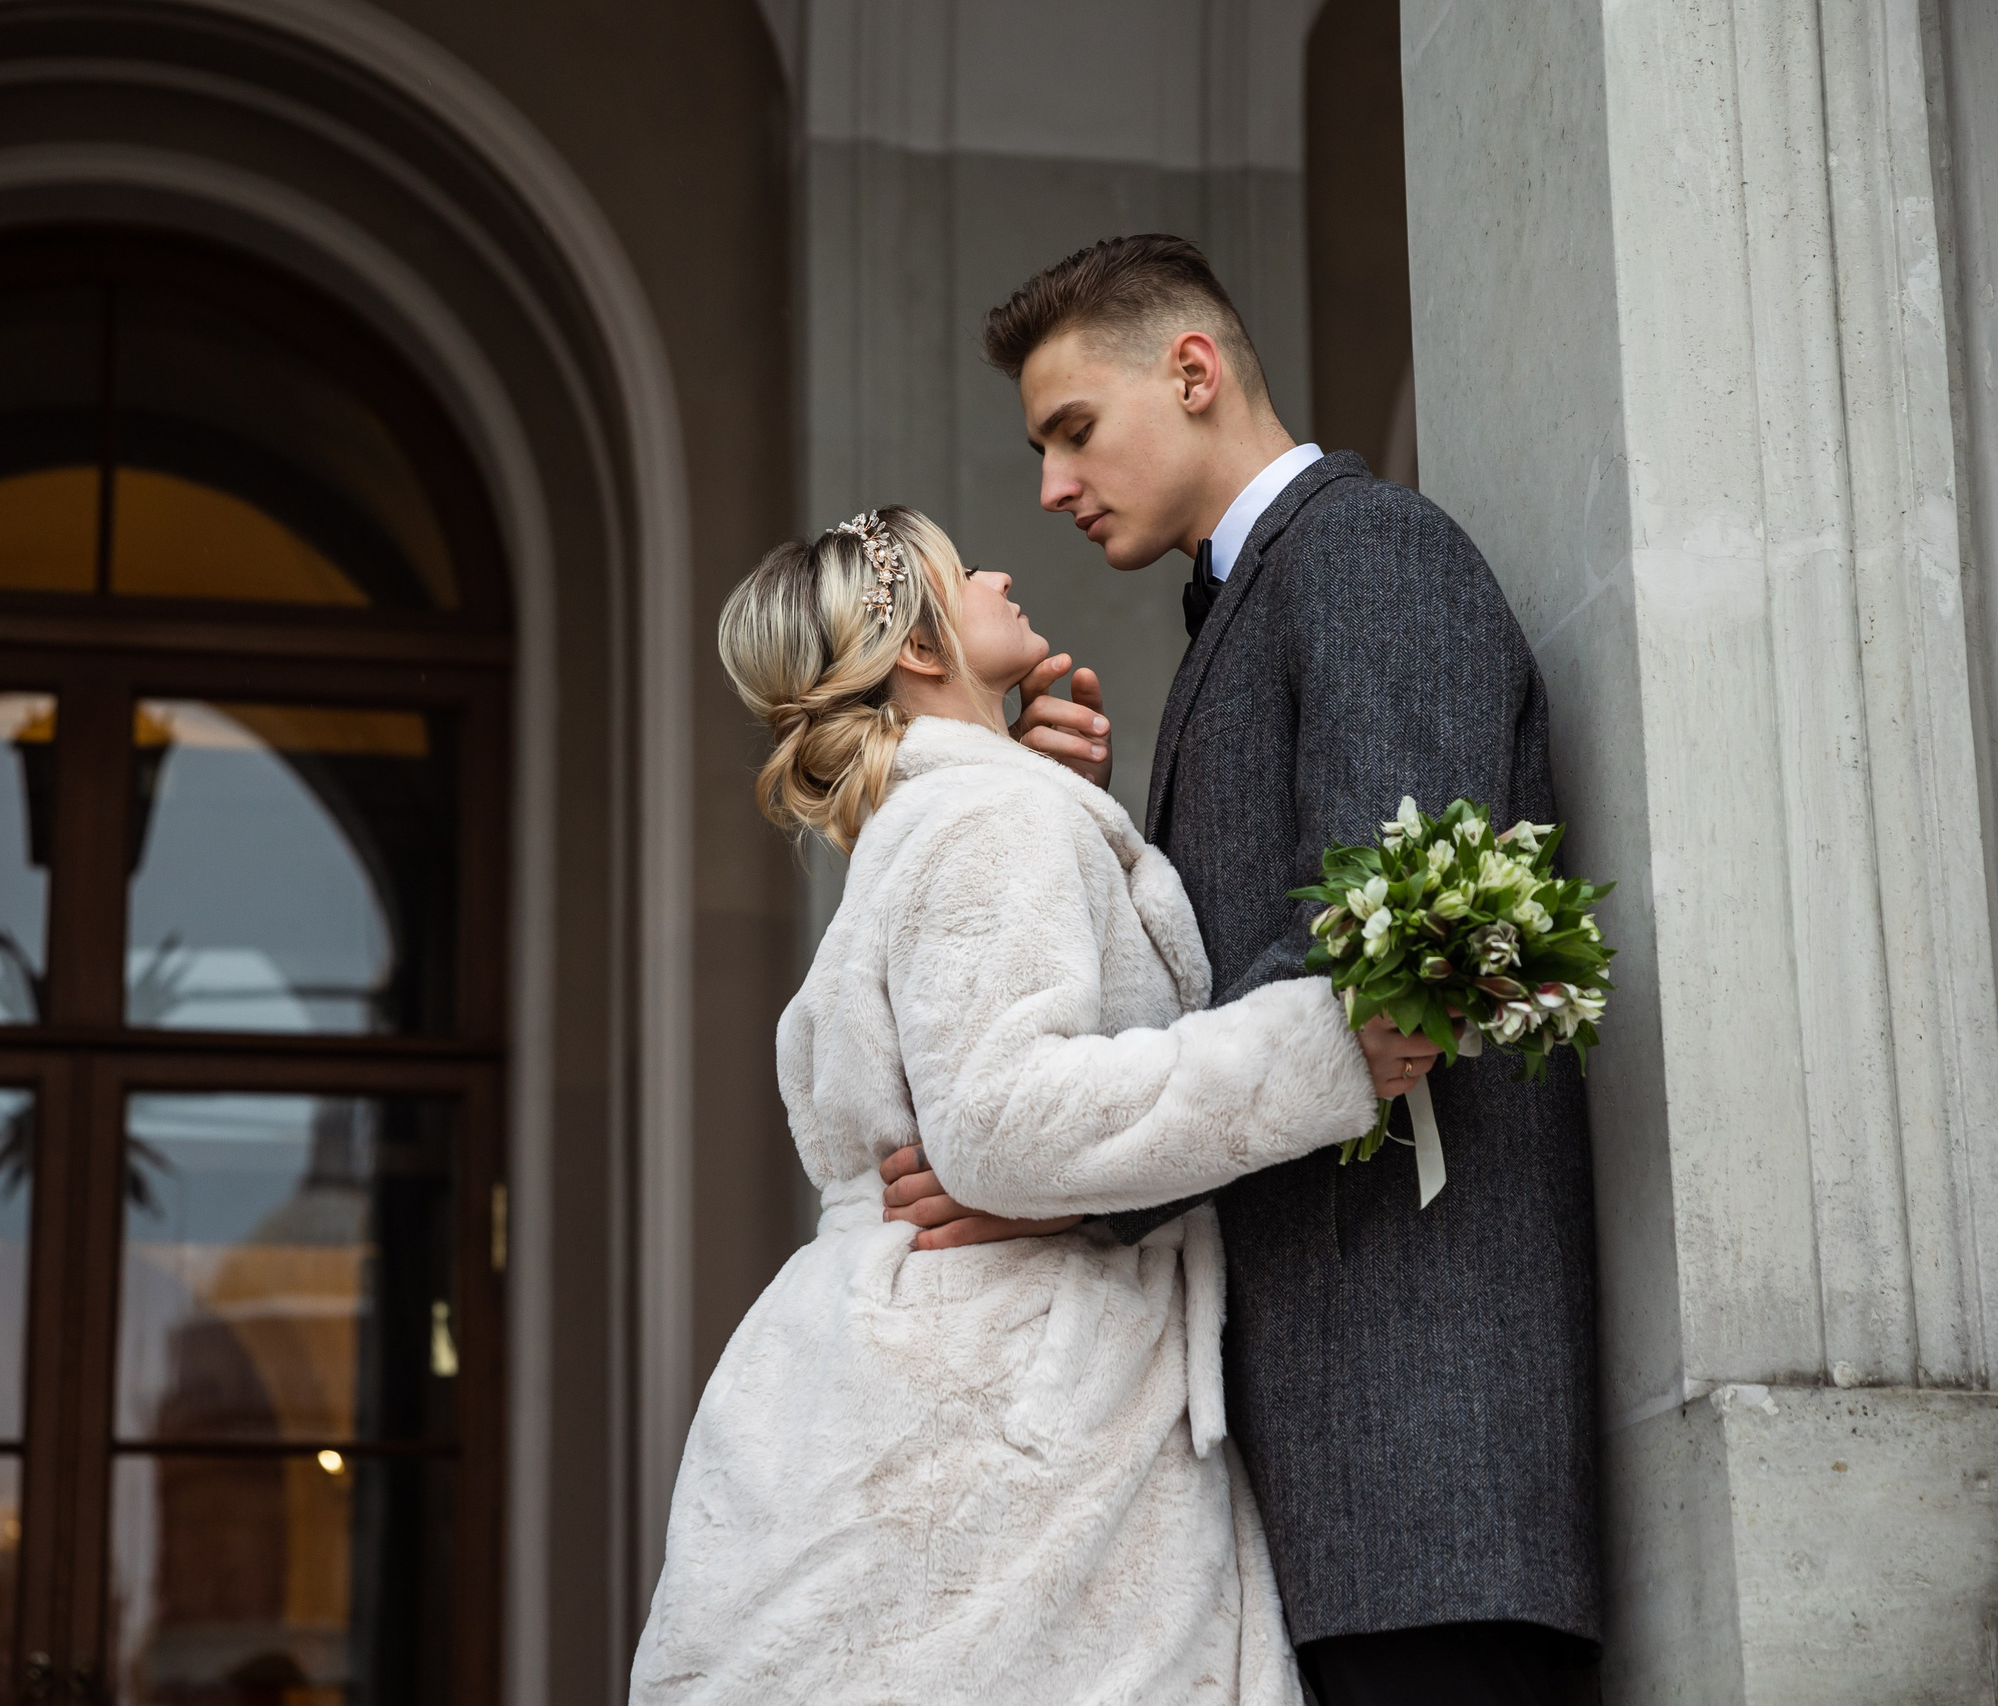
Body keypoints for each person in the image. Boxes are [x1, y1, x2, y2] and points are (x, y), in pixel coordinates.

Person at [880, 235, 1601, 1704]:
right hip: (1324, 1458)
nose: (1050, 487)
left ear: (1192, 372)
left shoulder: (1369, 553)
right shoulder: (1253, 599)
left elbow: (1374, 960)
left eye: (1072, 430)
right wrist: (1063, 818)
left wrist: (1044, 1160)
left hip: (1422, 1441)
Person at [630, 506, 1443, 1704]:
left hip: (918, 1365)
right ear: (917, 646)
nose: (1005, 571)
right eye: (969, 570)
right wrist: (1324, 1046)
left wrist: (1062, 809)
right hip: (1008, 1398)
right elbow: (1007, 1123)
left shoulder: (964, 811)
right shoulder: (989, 819)